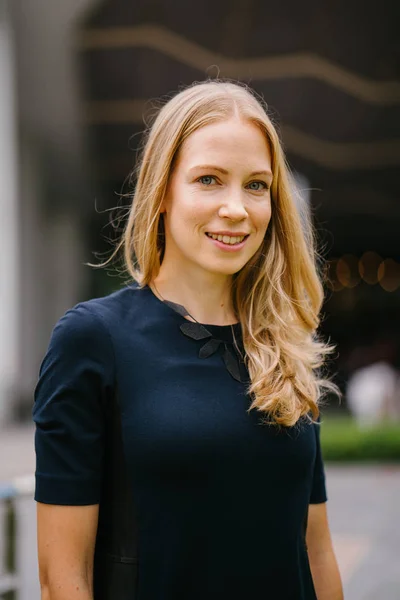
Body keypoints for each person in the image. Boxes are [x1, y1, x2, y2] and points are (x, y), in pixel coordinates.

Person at [33, 80, 343, 600]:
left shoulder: (285, 342)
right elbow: (62, 578)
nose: (236, 208)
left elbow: (316, 551)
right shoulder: (93, 339)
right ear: (162, 192)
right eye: (209, 180)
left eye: (256, 185)